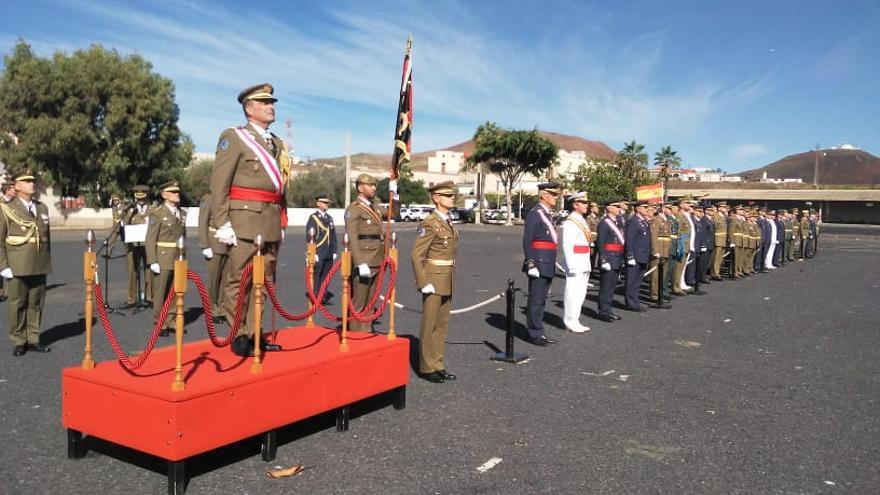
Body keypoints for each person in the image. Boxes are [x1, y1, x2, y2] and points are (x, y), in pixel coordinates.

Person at [211, 83, 289, 357]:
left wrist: (282, 219)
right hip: (243, 221)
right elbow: (219, 183)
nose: (271, 106)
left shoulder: (275, 142)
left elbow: (280, 187)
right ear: (249, 108)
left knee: (263, 282)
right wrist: (221, 222)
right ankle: (239, 334)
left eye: (272, 102)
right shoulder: (233, 137)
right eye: (265, 102)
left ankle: (256, 334)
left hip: (269, 222)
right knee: (238, 282)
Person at [411, 181, 459, 383]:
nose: (452, 198)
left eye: (452, 195)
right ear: (437, 198)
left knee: (441, 325)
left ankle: (437, 363)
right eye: (448, 196)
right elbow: (416, 255)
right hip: (433, 278)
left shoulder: (447, 221)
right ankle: (426, 366)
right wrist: (423, 282)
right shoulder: (429, 223)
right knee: (429, 323)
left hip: (447, 276)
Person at [0, 169, 52, 356]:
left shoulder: (42, 208)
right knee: (17, 303)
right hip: (17, 263)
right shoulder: (7, 208)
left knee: (36, 303)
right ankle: (19, 339)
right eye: (27, 181)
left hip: (39, 262)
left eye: (33, 181)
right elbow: (1, 239)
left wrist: (47, 259)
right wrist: (3, 265)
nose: (32, 184)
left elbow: (47, 237)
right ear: (17, 186)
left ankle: (33, 338)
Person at [345, 174, 388, 332]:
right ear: (360, 187)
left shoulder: (374, 208)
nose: (374, 188)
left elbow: (393, 212)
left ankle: (366, 332)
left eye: (374, 185)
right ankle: (356, 335)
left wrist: (395, 193)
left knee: (371, 301)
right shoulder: (354, 209)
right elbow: (352, 238)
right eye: (370, 185)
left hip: (377, 259)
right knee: (359, 301)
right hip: (364, 260)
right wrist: (360, 262)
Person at [522, 182, 561, 345]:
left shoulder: (548, 214)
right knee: (536, 299)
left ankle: (539, 330)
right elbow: (528, 240)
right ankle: (534, 333)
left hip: (548, 261)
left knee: (542, 299)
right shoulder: (535, 214)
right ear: (543, 195)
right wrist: (530, 263)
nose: (556, 198)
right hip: (538, 262)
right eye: (553, 194)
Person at [146, 181, 186, 337]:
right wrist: (152, 260)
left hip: (178, 256)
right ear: (164, 195)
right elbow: (150, 238)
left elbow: (183, 237)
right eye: (173, 192)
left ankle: (171, 320)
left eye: (177, 192)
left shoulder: (181, 213)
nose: (177, 194)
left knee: (176, 291)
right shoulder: (158, 213)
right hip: (163, 257)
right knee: (161, 292)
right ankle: (159, 323)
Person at [560, 191, 592, 333]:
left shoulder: (581, 219)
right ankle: (570, 320)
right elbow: (568, 244)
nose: (587, 205)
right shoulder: (570, 222)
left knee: (581, 292)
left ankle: (576, 319)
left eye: (587, 203)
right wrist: (570, 264)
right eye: (584, 203)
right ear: (575, 204)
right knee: (573, 292)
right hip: (575, 262)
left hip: (584, 260)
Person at [198, 192, 228, 322]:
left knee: (225, 281)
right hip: (214, 241)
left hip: (228, 243)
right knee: (213, 280)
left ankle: (222, 308)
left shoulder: (229, 197)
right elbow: (203, 221)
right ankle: (212, 310)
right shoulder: (210, 198)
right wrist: (205, 245)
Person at [122, 185, 153, 307]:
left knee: (149, 271)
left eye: (142, 197)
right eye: (137, 198)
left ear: (146, 196)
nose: (140, 200)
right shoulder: (130, 210)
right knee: (132, 272)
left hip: (147, 244)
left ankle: (150, 297)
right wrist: (129, 212)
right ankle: (131, 298)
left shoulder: (152, 209)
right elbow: (123, 225)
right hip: (133, 245)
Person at [596, 199, 625, 322]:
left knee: (612, 286)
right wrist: (603, 259)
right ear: (609, 208)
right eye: (616, 206)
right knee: (606, 286)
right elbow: (601, 243)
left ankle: (608, 310)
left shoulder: (618, 222)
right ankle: (603, 311)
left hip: (617, 257)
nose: (619, 208)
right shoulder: (605, 223)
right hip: (609, 257)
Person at [306, 196, 338, 304]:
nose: (327, 205)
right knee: (317, 275)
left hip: (328, 251)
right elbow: (310, 236)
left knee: (326, 275)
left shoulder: (329, 218)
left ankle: (322, 295)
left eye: (327, 203)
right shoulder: (314, 218)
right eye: (324, 203)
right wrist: (313, 252)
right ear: (318, 204)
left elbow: (333, 236)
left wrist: (334, 250)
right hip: (319, 250)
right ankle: (315, 296)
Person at [623, 200, 651, 312]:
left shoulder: (643, 221)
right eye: (644, 207)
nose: (647, 209)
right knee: (631, 280)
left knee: (638, 281)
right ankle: (630, 302)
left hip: (643, 255)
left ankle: (635, 300)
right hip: (635, 256)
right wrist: (630, 255)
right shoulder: (633, 221)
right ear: (638, 209)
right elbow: (629, 239)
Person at [0, 175, 16, 303]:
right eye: (12, 188)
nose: (15, 190)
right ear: (6, 190)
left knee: (9, 264)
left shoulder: (13, 204)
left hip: (10, 239)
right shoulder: (1, 203)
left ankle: (8, 291)